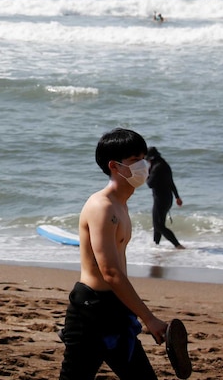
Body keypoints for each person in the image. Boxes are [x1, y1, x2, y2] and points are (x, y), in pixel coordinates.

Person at [58, 128, 172, 380]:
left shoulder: (121, 204)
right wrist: (149, 318)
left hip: (115, 308)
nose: (144, 165)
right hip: (90, 311)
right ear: (114, 166)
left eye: (144, 158)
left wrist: (131, 309)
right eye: (135, 160)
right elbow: (109, 271)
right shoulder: (102, 206)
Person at [146, 147, 184, 249]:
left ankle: (178, 245)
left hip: (160, 200)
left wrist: (146, 174)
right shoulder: (165, 165)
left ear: (151, 158)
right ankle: (156, 246)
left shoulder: (156, 168)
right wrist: (177, 197)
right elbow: (171, 182)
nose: (147, 161)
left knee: (158, 225)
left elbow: (150, 184)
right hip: (167, 199)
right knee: (158, 224)